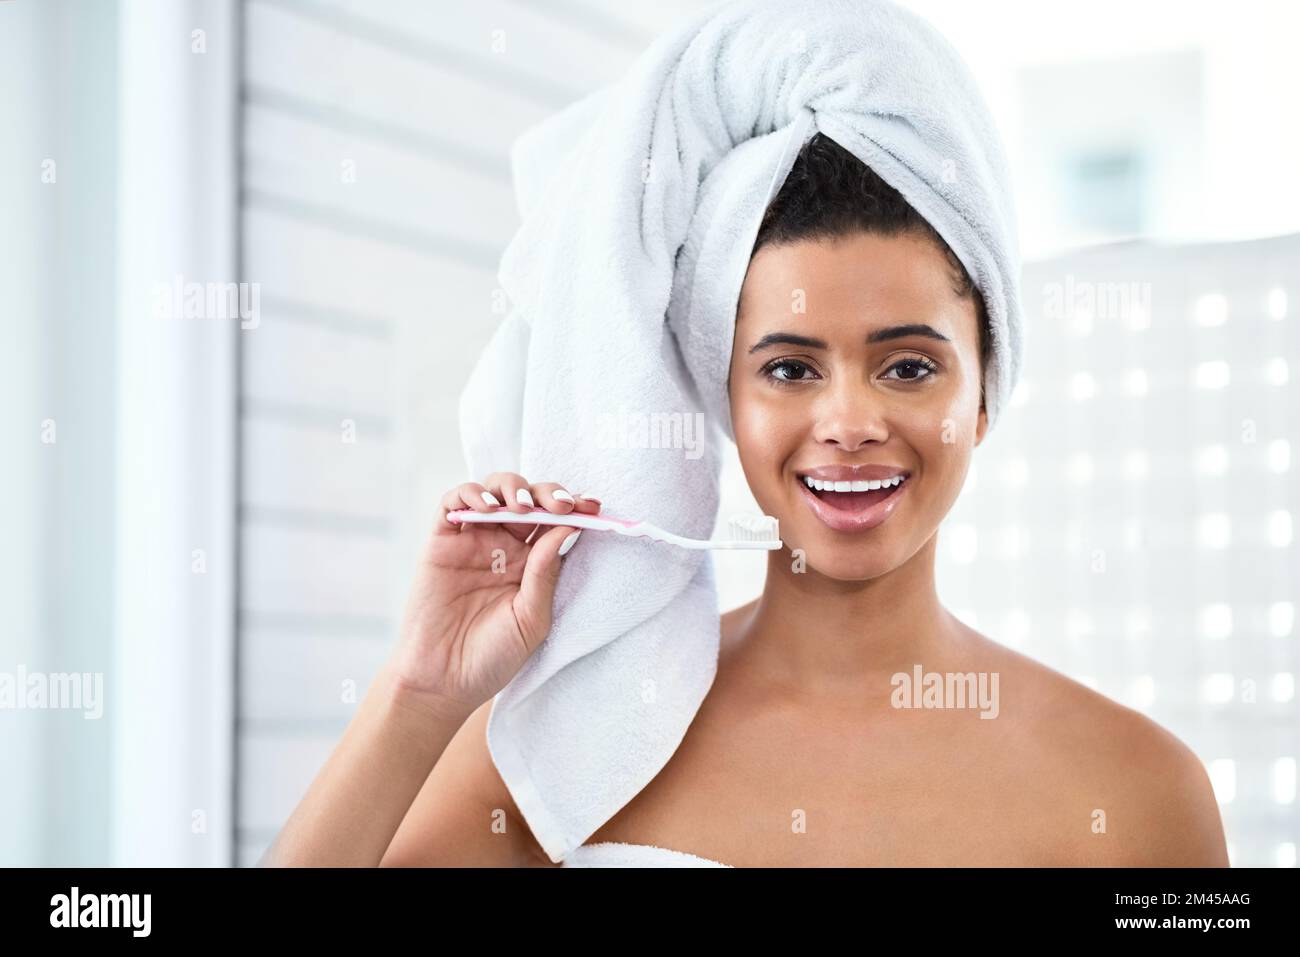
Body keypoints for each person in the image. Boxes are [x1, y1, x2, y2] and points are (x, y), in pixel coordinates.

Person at [263, 134, 1229, 868]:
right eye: (790, 368)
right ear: (724, 398)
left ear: (984, 395)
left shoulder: (1138, 794)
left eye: (906, 364)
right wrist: (420, 694)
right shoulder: (583, 734)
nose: (849, 421)